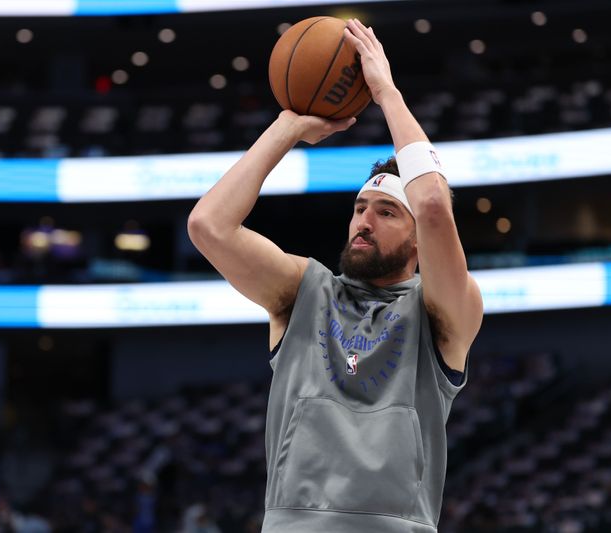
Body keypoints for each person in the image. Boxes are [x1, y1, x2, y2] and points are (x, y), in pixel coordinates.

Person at [187, 18, 483, 533]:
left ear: (418, 242)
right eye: (359, 207)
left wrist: (386, 92)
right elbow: (208, 225)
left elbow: (433, 203)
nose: (364, 222)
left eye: (387, 213)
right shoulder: (303, 291)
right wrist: (287, 128)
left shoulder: (445, 313)